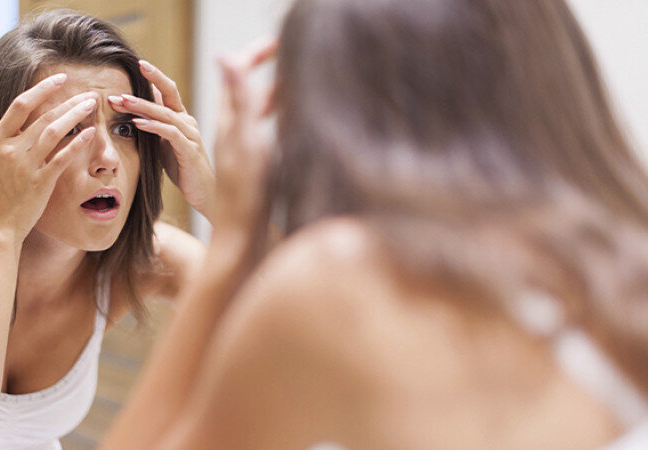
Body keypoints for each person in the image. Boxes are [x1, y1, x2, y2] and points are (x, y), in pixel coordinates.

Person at [97, 0, 648, 448]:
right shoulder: (623, 253)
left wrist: (237, 231)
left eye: (123, 128)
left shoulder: (336, 280)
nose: (103, 159)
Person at [0, 10, 213, 449]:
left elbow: (290, 313)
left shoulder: (144, 257)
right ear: (1, 151)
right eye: (68, 129)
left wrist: (216, 197)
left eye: (123, 129)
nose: (106, 158)